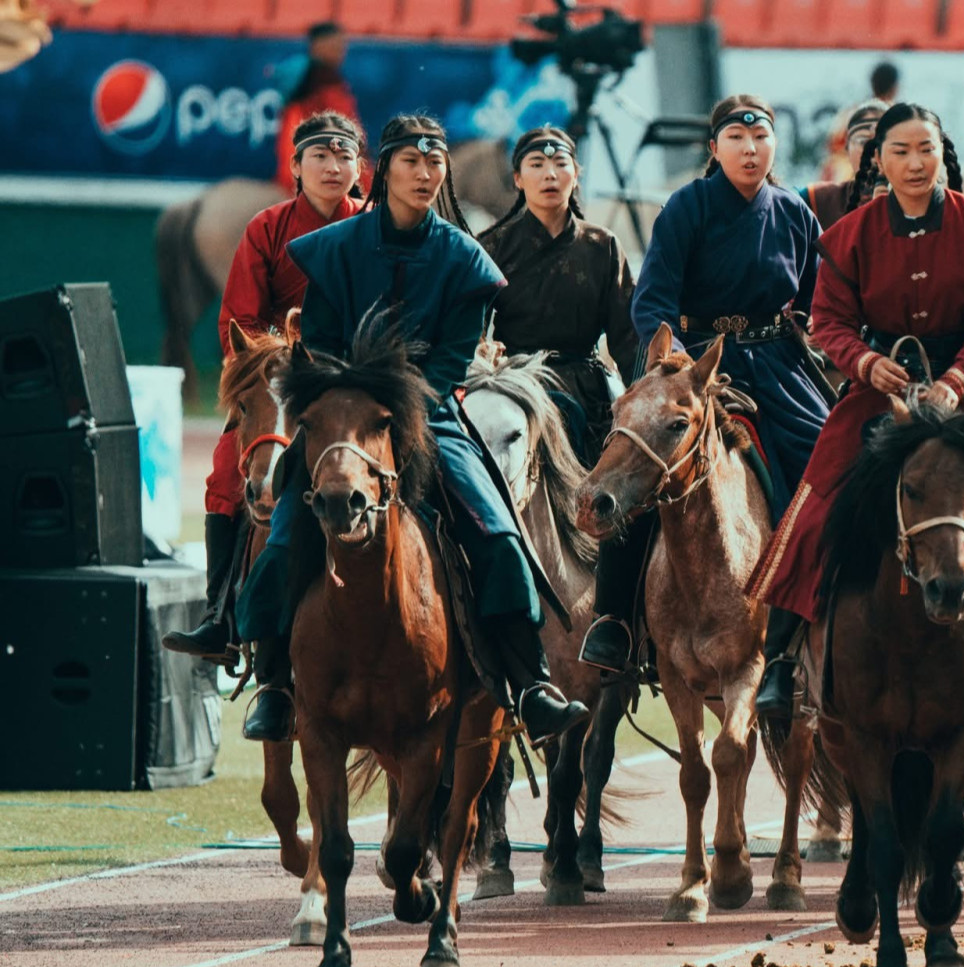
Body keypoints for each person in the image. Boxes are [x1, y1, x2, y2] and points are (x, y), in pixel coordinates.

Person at [235, 113, 589, 748]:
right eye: (411, 164)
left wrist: (400, 401)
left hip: (431, 418)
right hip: (341, 418)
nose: (426, 175)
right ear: (386, 171)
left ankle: (528, 682)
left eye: (435, 164)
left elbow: (454, 358)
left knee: (499, 533)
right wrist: (352, 402)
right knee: (286, 533)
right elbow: (315, 341)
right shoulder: (336, 247)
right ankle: (272, 682)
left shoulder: (463, 258)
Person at [748, 102, 964, 716]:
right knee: (815, 506)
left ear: (942, 153)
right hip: (877, 389)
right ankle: (783, 657)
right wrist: (866, 365)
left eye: (926, 149)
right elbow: (830, 322)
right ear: (878, 161)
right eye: (901, 151)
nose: (916, 162)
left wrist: (954, 380)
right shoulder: (849, 235)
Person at [587, 95, 831, 674]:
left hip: (778, 366)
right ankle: (614, 620)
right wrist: (674, 363)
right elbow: (654, 299)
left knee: (830, 464)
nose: (750, 150)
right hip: (695, 367)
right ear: (714, 147)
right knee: (640, 467)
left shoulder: (795, 212)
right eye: (737, 139)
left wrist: (825, 326)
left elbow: (820, 297)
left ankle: (815, 620)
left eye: (761, 139)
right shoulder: (686, 208)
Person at [162, 112, 365, 675]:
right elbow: (242, 322)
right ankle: (221, 615)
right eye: (319, 157)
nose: (332, 167)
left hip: (353, 386)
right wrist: (281, 360)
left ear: (360, 169)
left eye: (343, 156)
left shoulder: (372, 228)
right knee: (227, 472)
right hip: (280, 382)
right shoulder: (266, 228)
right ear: (295, 167)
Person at [476, 126, 638, 462]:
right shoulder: (492, 246)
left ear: (576, 175)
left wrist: (643, 394)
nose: (550, 174)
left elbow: (628, 338)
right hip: (517, 389)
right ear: (518, 179)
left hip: (589, 394)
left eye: (560, 164)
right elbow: (469, 326)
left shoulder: (601, 246)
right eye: (536, 165)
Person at [273, 22, 361, 194]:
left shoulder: (330, 79)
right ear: (317, 46)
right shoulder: (312, 84)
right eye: (335, 45)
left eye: (342, 46)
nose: (341, 51)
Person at [800, 101, 888, 230]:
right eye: (863, 141)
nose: (873, 151)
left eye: (881, 141)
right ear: (847, 148)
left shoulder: (916, 201)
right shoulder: (819, 200)